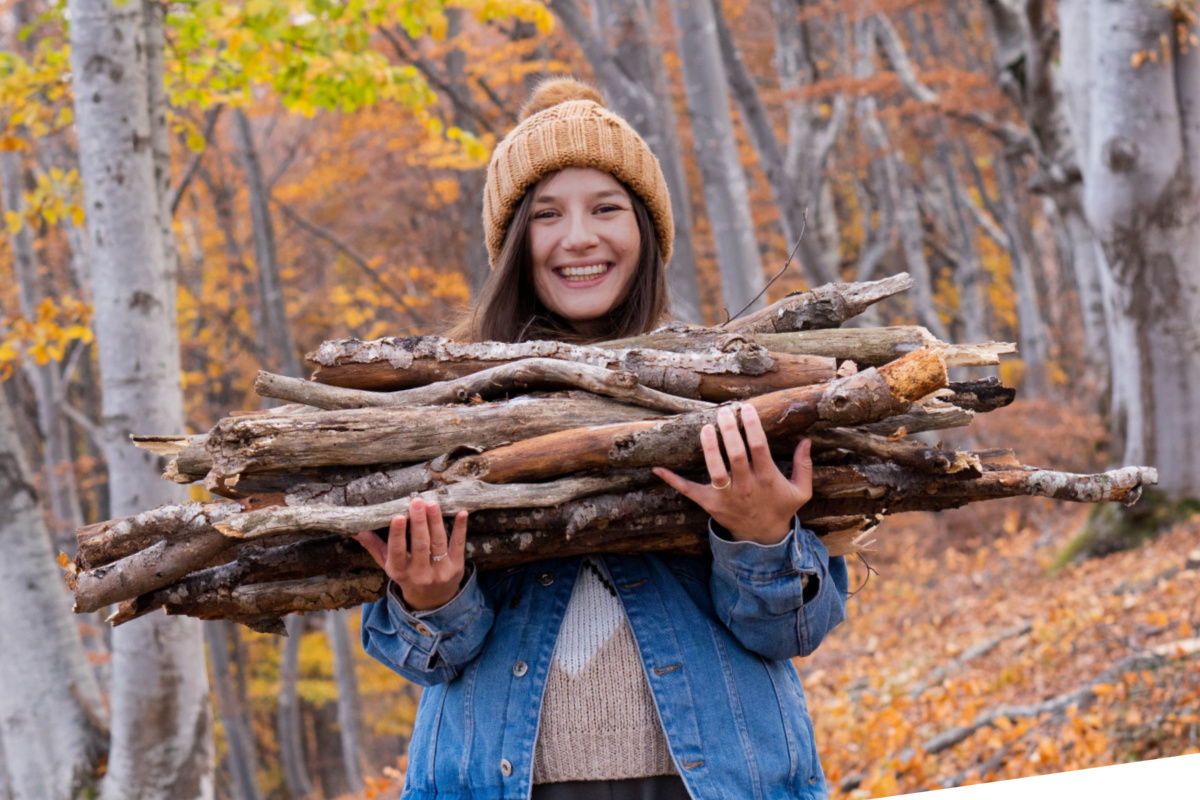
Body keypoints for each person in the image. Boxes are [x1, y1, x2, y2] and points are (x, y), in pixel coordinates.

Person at [354, 77, 849, 800]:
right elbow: (426, 660)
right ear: (514, 245)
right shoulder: (449, 413)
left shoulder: (726, 398)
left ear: (646, 231)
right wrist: (433, 602)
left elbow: (792, 633)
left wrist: (762, 538)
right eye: (547, 214)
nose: (578, 236)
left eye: (606, 207)